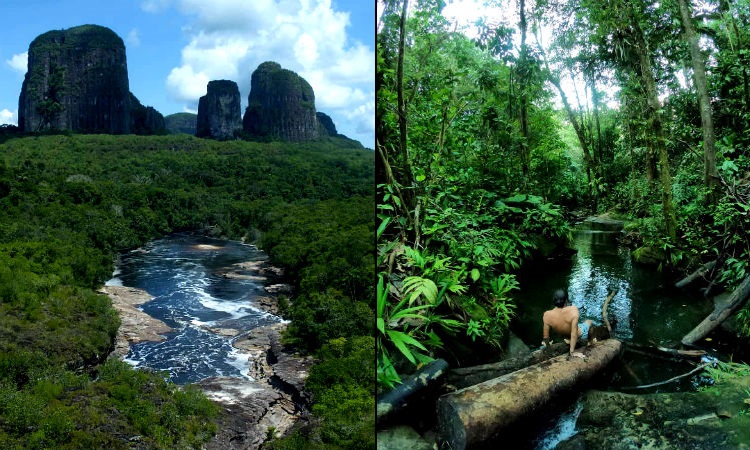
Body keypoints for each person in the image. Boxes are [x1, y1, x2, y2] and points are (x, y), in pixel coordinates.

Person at [542, 289, 592, 359]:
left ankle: (568, 339)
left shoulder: (547, 315)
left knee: (574, 325)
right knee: (589, 322)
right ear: (566, 300)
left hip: (563, 335)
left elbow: (546, 336)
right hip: (579, 335)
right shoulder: (573, 310)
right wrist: (572, 352)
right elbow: (574, 334)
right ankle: (590, 342)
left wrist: (548, 346)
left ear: (554, 300)